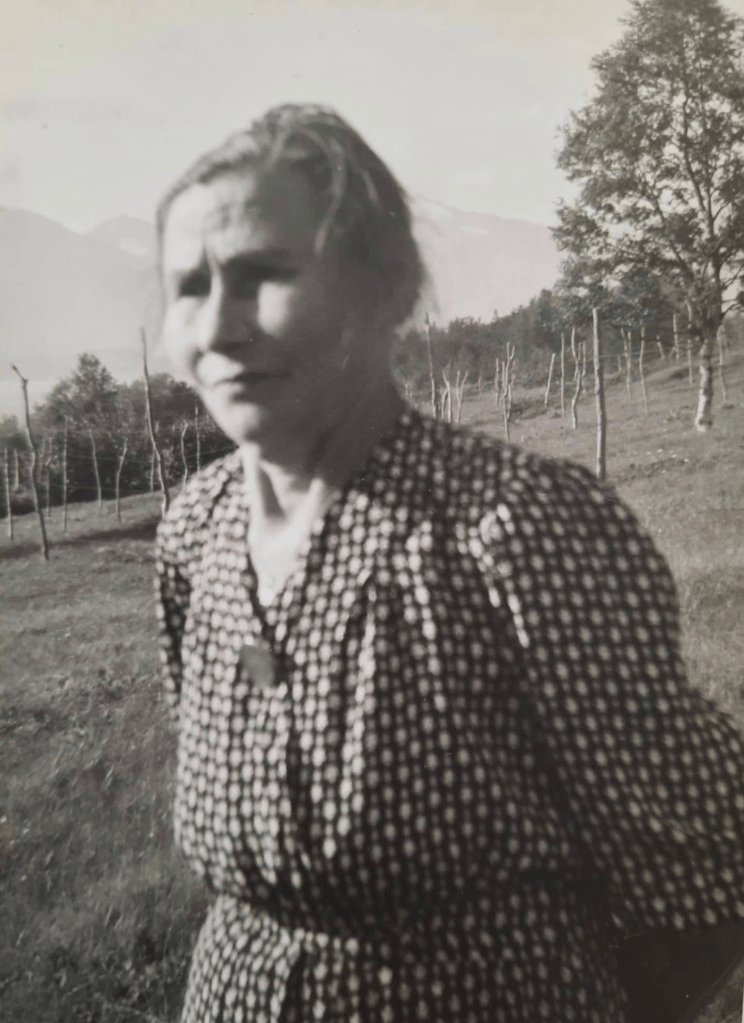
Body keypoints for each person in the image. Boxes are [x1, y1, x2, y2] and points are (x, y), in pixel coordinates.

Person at [153, 104, 744, 1023]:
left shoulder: (518, 529)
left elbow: (707, 877)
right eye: (188, 286)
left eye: (265, 273)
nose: (218, 326)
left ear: (386, 289)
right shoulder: (195, 532)